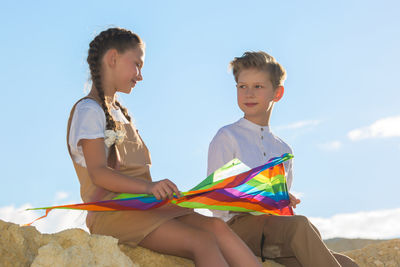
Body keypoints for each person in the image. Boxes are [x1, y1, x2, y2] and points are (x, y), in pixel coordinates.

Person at [67, 28, 262, 267]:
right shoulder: (89, 110)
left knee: (216, 226)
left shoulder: (120, 113)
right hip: (114, 213)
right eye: (137, 64)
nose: (140, 76)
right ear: (113, 58)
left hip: (145, 206)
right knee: (201, 242)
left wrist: (160, 192)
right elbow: (98, 172)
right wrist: (150, 187)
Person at [207, 51, 358, 267]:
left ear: (277, 93)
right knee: (300, 226)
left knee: (348, 264)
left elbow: (280, 208)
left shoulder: (283, 149)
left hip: (273, 234)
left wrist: (282, 197)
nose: (248, 93)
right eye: (242, 86)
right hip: (234, 229)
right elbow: (217, 201)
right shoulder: (227, 137)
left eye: (258, 86)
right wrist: (267, 194)